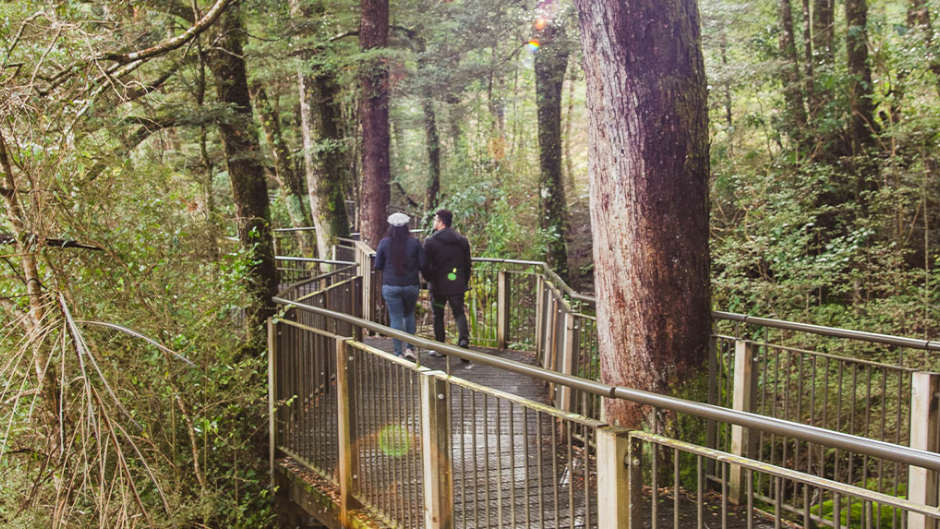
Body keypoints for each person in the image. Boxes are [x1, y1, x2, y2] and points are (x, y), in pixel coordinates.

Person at [422, 209, 471, 364]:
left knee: (438, 314)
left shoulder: (430, 242)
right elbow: (467, 264)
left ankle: (440, 347)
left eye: (435, 219)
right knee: (459, 313)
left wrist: (428, 279)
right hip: (456, 284)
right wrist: (464, 281)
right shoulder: (462, 240)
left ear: (441, 221)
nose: (434, 222)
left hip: (437, 287)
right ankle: (463, 342)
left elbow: (425, 264)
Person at [374, 212, 423, 361]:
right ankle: (410, 349)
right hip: (410, 285)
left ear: (390, 226)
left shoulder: (384, 243)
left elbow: (378, 265)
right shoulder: (414, 243)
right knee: (409, 315)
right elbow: (422, 263)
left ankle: (398, 352)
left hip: (390, 286)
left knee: (395, 318)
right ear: (407, 226)